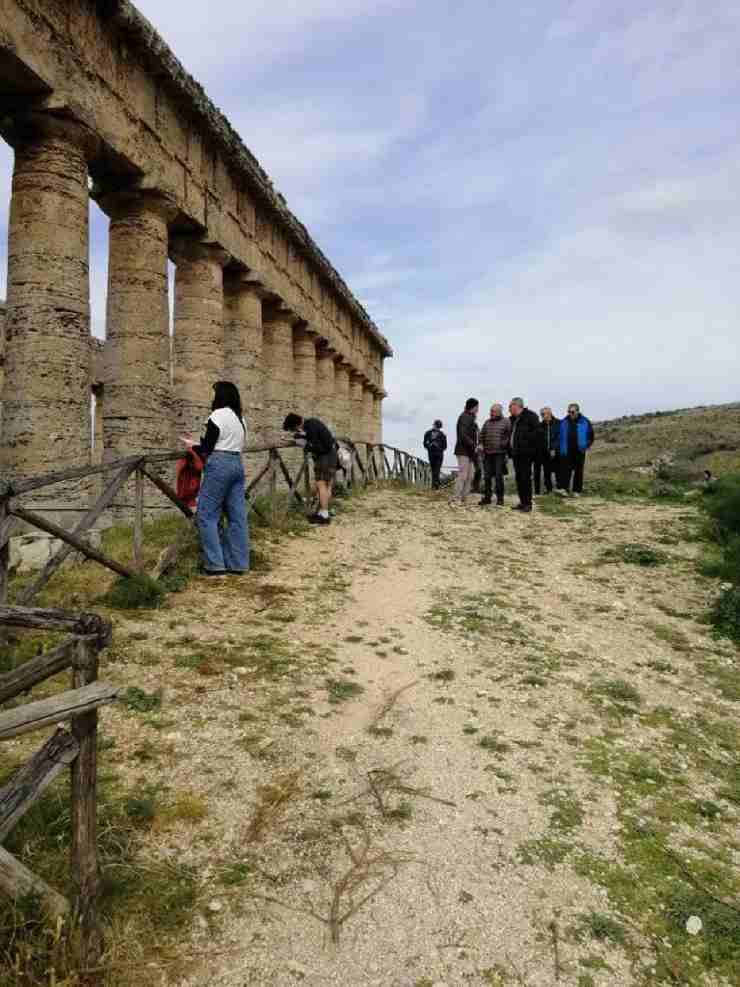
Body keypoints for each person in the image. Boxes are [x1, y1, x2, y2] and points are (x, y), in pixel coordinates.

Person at [183, 381, 249, 576]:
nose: (211, 397)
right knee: (237, 517)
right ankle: (239, 564)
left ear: (221, 395)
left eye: (213, 393)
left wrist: (192, 445)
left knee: (207, 515)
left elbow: (207, 449)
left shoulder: (217, 415)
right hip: (236, 463)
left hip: (219, 464)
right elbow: (227, 443)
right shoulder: (241, 419)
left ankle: (215, 565)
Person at [283, 412, 338, 525]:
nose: (295, 431)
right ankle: (324, 511)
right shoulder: (311, 423)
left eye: (293, 429)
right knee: (325, 485)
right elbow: (313, 437)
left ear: (297, 425)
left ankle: (324, 516)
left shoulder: (310, 426)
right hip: (331, 455)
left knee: (321, 485)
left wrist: (303, 445)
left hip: (325, 457)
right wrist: (298, 437)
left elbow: (318, 447)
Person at [557, 402, 595, 496]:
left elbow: (591, 435)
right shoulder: (564, 422)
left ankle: (577, 491)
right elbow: (558, 436)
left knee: (578, 471)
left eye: (572, 412)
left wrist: (586, 445)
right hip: (567, 450)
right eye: (569, 411)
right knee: (566, 470)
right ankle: (564, 489)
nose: (570, 413)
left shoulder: (585, 421)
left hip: (579, 450)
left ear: (578, 411)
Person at [508, 398, 539, 512]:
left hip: (526, 453)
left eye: (510, 406)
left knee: (525, 478)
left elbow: (537, 433)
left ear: (516, 406)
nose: (509, 409)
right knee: (519, 478)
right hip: (516, 453)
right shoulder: (512, 419)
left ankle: (528, 504)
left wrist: (526, 444)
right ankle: (522, 502)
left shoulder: (531, 416)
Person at [478, 403, 511, 506]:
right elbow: (481, 435)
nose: (491, 413)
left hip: (499, 454)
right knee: (487, 476)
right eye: (490, 411)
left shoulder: (506, 422)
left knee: (498, 477)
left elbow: (509, 435)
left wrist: (503, 444)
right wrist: (480, 444)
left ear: (499, 412)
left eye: (493, 411)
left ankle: (500, 499)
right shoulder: (487, 422)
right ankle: (487, 498)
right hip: (487, 454)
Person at [450, 398, 479, 505]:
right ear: (474, 407)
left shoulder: (471, 418)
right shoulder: (464, 417)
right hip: (463, 450)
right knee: (463, 475)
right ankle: (455, 498)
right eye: (477, 407)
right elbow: (463, 435)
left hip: (470, 452)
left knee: (470, 475)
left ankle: (464, 498)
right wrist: (473, 444)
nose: (478, 409)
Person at [534, 407, 561, 495]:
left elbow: (559, 437)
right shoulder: (541, 425)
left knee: (558, 471)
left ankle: (560, 489)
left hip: (557, 451)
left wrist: (553, 448)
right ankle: (549, 490)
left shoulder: (558, 423)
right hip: (544, 452)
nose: (542, 416)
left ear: (549, 413)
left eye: (544, 414)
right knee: (547, 471)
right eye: (541, 414)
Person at [423, 419, 447, 490]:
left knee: (437, 469)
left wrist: (438, 446)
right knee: (434, 470)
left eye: (438, 427)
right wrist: (430, 445)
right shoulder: (427, 433)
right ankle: (435, 485)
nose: (437, 428)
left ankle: (435, 486)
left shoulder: (442, 435)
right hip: (431, 453)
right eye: (437, 426)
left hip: (439, 454)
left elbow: (445, 446)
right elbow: (424, 443)